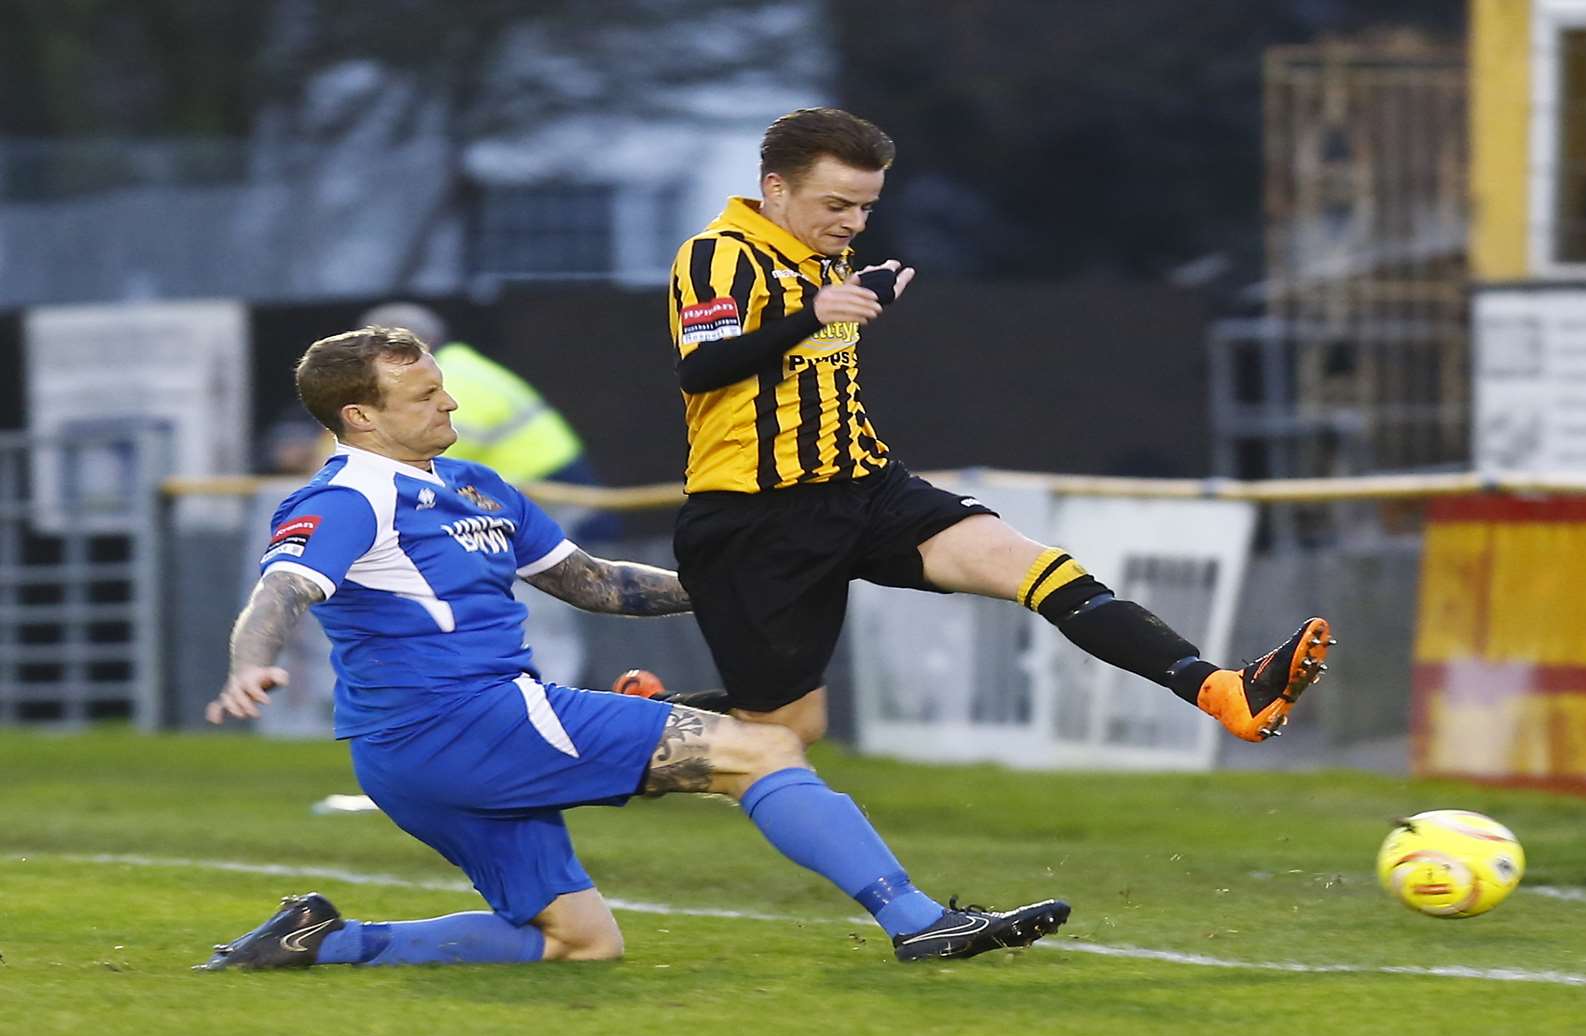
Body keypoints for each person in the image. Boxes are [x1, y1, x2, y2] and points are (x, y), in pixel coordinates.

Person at [197, 325, 1068, 970]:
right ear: (361, 415)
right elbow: (281, 589)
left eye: (442, 386)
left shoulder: (474, 482)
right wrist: (250, 663)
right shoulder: (350, 494)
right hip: (462, 721)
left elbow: (592, 583)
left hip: (428, 747)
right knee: (762, 749)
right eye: (425, 397)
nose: (451, 403)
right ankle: (919, 921)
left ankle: (325, 941)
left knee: (579, 943)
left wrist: (732, 588)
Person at [661, 106, 1333, 749]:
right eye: (837, 205)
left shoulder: (823, 261)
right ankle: (621, 720)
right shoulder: (717, 256)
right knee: (783, 733)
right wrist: (815, 314)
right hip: (759, 517)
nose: (853, 222)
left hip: (865, 488)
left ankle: (1223, 691)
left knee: (1043, 571)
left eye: (866, 206)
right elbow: (704, 370)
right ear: (774, 187)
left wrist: (855, 297)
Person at [362, 301, 613, 687]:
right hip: (521, 499)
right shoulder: (450, 371)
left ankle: (550, 691)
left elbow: (420, 457)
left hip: (545, 498)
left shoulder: (452, 378)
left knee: (538, 601)